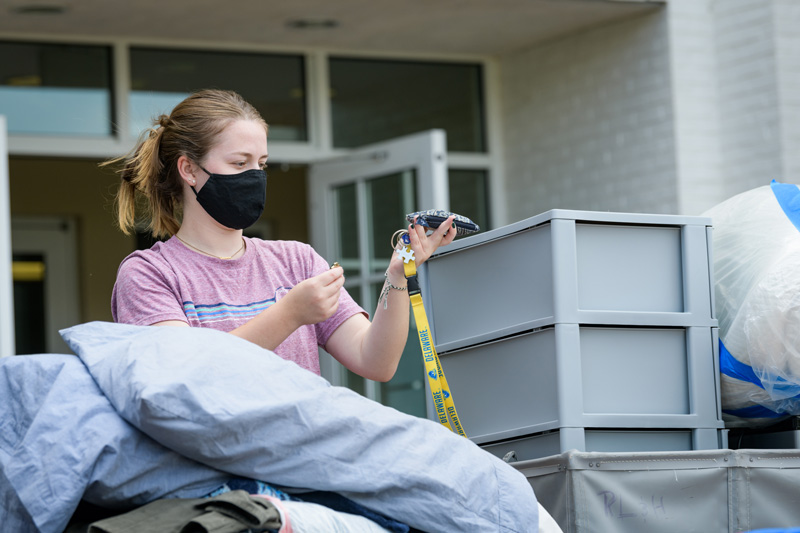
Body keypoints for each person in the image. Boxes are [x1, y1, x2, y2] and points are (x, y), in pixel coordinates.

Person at [108, 88, 456, 382]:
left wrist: (397, 275)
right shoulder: (148, 274)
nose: (255, 176)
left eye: (261, 164)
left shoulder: (296, 260)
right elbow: (185, 375)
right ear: (189, 170)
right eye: (239, 163)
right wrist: (290, 313)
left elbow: (376, 362)